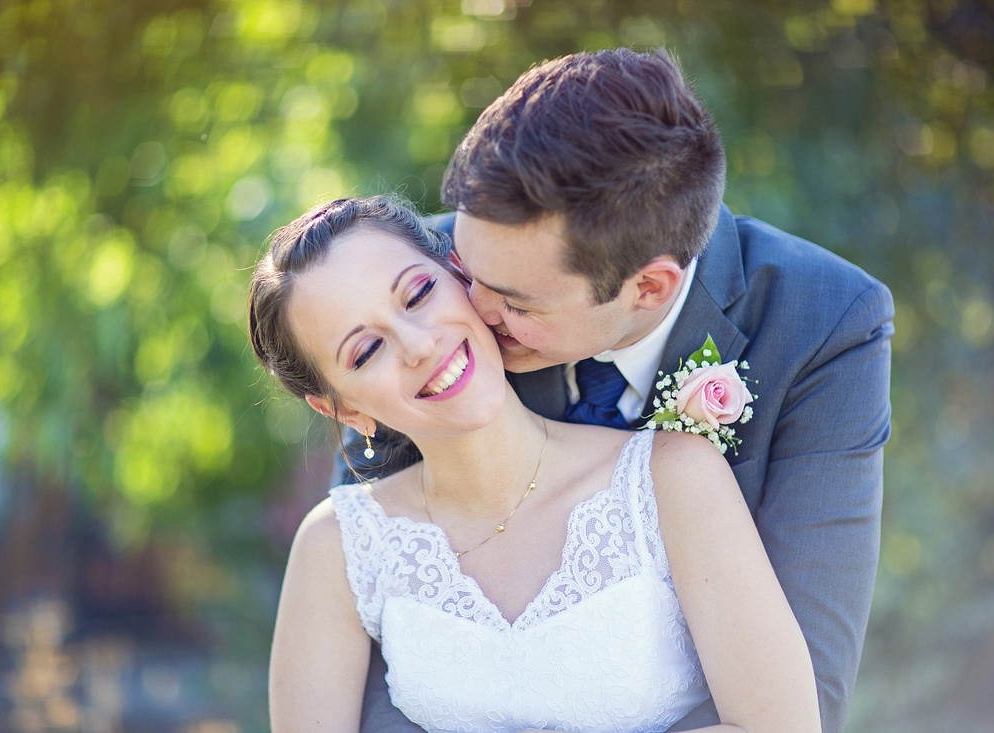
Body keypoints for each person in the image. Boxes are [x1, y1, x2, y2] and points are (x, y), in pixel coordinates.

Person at [343, 48, 894, 733]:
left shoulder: (825, 326)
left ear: (650, 287)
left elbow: (804, 694)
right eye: (462, 263)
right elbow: (362, 642)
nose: (469, 313)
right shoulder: (425, 289)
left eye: (516, 302)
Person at [252, 196, 821, 732]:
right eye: (366, 350)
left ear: (459, 274)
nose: (418, 344)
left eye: (418, 293)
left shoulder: (671, 477)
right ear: (344, 408)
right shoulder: (336, 548)